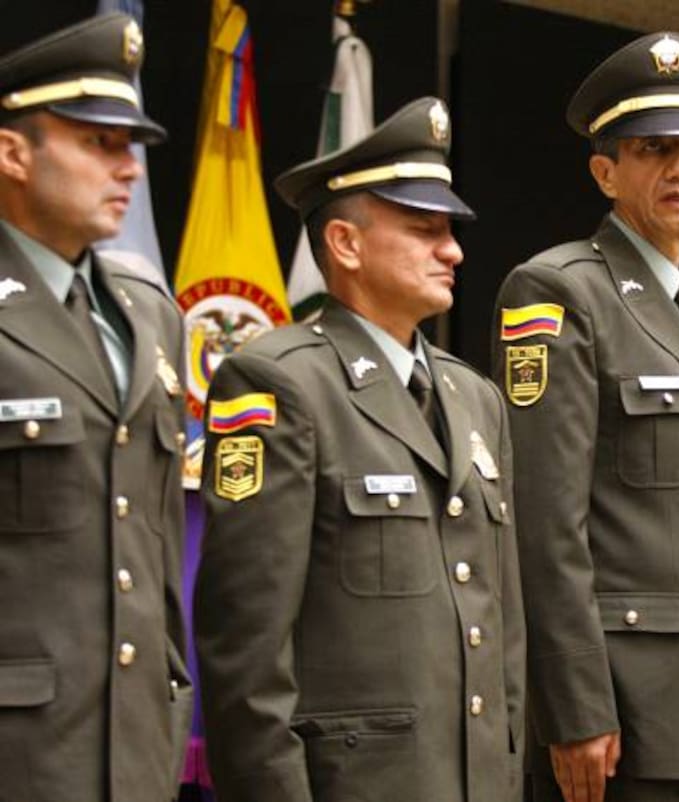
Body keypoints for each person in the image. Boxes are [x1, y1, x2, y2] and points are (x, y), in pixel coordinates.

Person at [194, 97, 525, 802]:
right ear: (345, 243)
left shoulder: (475, 397)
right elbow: (246, 643)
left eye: (451, 230)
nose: (453, 250)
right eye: (424, 229)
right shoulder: (279, 383)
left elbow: (504, 625)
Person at [492, 31, 679, 802]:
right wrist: (574, 707)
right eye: (654, 149)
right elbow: (545, 523)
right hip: (626, 717)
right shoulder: (559, 292)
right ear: (606, 172)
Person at [0, 13, 189, 802]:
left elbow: (155, 539)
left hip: (135, 747)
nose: (129, 170)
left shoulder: (151, 316)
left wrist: (171, 693)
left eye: (131, 146)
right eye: (97, 143)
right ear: (13, 153)